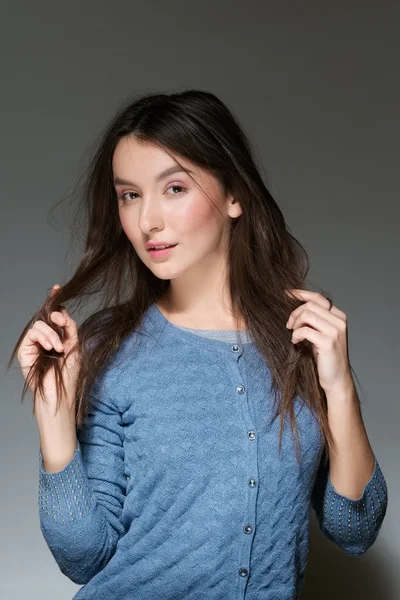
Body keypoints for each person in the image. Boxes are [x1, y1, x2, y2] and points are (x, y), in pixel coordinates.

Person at [10, 89, 388, 599]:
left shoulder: (300, 340)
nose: (148, 222)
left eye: (175, 189)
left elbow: (356, 529)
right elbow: (85, 557)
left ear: (234, 196)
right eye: (130, 195)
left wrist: (339, 389)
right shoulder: (110, 346)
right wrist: (55, 424)